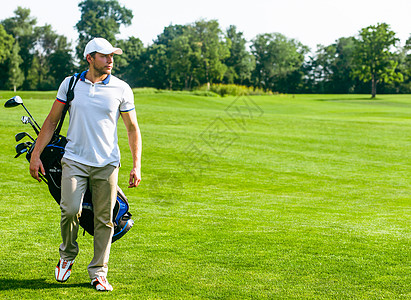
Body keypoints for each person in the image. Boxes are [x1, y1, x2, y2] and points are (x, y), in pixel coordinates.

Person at [29, 37, 142, 292]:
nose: (110, 60)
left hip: (107, 164)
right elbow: (50, 121)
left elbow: (132, 129)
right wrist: (36, 155)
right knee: (69, 209)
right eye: (104, 56)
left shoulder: (122, 88)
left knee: (104, 220)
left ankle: (99, 272)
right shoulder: (70, 84)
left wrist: (137, 165)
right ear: (90, 58)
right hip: (74, 160)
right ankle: (67, 257)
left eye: (112, 56)